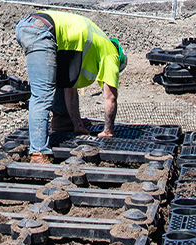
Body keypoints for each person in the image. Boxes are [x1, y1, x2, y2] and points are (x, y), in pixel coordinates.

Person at [14, 10, 127, 164]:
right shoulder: (111, 54)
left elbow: (69, 88)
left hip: (29, 25)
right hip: (41, 30)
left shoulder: (94, 45)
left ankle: (62, 122)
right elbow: (110, 97)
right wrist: (108, 131)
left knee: (57, 82)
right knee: (42, 94)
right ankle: (38, 152)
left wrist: (77, 125)